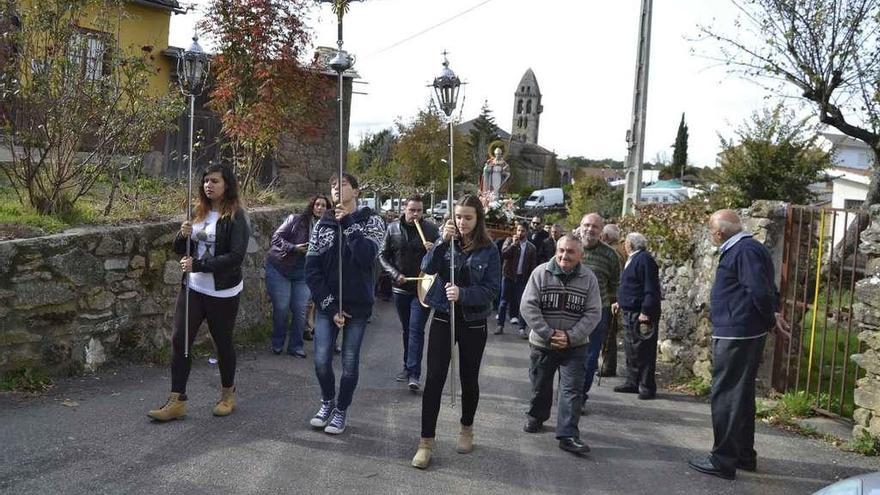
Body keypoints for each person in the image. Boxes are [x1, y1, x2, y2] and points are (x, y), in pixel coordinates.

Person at [688, 209, 788, 480]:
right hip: (740, 331)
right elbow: (767, 287)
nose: (711, 236)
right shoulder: (748, 248)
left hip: (738, 333)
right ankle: (743, 455)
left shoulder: (744, 250)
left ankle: (723, 460)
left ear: (719, 233)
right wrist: (771, 315)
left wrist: (769, 319)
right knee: (740, 396)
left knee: (727, 396)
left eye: (711, 232)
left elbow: (761, 290)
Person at [148, 164, 250, 422]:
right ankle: (177, 400)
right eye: (206, 181)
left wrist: (200, 265)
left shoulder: (237, 216)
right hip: (193, 287)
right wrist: (182, 237)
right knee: (180, 340)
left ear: (227, 184)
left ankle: (228, 394)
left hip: (222, 292)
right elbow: (181, 249)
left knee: (222, 343)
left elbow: (236, 257)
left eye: (214, 181)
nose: (209, 185)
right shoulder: (197, 212)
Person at [411, 195, 501, 469]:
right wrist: (440, 242)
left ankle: (466, 428)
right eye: (459, 217)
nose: (462, 222)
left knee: (469, 378)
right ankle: (426, 442)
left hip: (473, 321)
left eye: (468, 218)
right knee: (434, 378)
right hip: (442, 316)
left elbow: (492, 291)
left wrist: (464, 294)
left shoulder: (489, 249)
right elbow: (427, 268)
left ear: (478, 219)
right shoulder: (447, 241)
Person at [305, 172, 384, 435]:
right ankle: (327, 401)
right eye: (334, 185)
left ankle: (341, 409)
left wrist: (348, 222)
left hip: (358, 305)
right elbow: (311, 268)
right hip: (329, 305)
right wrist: (328, 305)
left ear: (357, 191)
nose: (338, 189)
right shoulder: (322, 224)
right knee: (321, 360)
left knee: (350, 363)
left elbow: (366, 256)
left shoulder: (372, 220)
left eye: (344, 184)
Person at [520, 235, 602, 455]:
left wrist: (571, 336)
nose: (565, 255)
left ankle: (568, 435)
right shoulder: (540, 273)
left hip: (575, 347)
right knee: (540, 384)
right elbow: (528, 307)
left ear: (580, 255)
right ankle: (536, 416)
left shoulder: (589, 278)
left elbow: (594, 313)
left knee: (572, 390)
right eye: (561, 250)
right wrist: (549, 333)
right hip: (543, 344)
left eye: (571, 252)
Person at [379, 196, 440, 391]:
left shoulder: (431, 230)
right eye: (412, 210)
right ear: (405, 209)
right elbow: (382, 255)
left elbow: (444, 259)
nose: (415, 214)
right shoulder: (393, 228)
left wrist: (435, 251)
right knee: (407, 328)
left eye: (419, 211)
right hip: (400, 288)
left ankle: (414, 373)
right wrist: (395, 274)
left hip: (422, 288)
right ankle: (407, 365)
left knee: (416, 329)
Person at [265, 194, 330, 357]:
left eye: (324, 205)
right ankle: (277, 342)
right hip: (281, 268)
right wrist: (294, 247)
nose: (320, 208)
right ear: (312, 206)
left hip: (303, 273)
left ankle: (295, 346)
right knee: (281, 308)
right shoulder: (296, 220)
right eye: (317, 204)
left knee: (300, 310)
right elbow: (276, 238)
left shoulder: (328, 228)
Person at [575, 213, 620, 407]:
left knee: (590, 356)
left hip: (597, 312)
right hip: (569, 309)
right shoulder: (570, 247)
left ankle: (580, 396)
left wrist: (612, 302)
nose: (590, 229)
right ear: (580, 226)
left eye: (595, 226)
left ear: (601, 231)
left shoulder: (610, 255)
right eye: (586, 225)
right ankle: (568, 391)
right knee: (565, 354)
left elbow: (616, 284)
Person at [611, 232, 661, 399]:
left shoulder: (644, 260)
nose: (623, 246)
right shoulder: (634, 259)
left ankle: (646, 386)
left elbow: (650, 287)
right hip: (630, 311)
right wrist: (621, 301)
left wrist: (646, 311)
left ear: (630, 245)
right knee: (631, 349)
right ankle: (632, 382)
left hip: (640, 314)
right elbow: (630, 285)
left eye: (625, 243)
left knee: (644, 351)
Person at [496, 221, 537, 337]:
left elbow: (533, 265)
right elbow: (503, 254)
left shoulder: (531, 248)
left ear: (527, 232)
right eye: (518, 230)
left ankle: (522, 328)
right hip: (508, 277)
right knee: (503, 302)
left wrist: (530, 280)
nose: (520, 233)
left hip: (521, 279)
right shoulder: (509, 241)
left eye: (522, 231)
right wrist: (513, 245)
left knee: (522, 304)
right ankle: (500, 325)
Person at [599, 223, 626, 377]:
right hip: (614, 297)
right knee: (609, 332)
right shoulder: (621, 251)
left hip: (610, 298)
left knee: (607, 333)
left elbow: (616, 277)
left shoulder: (612, 253)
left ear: (606, 237)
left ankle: (607, 366)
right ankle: (607, 365)